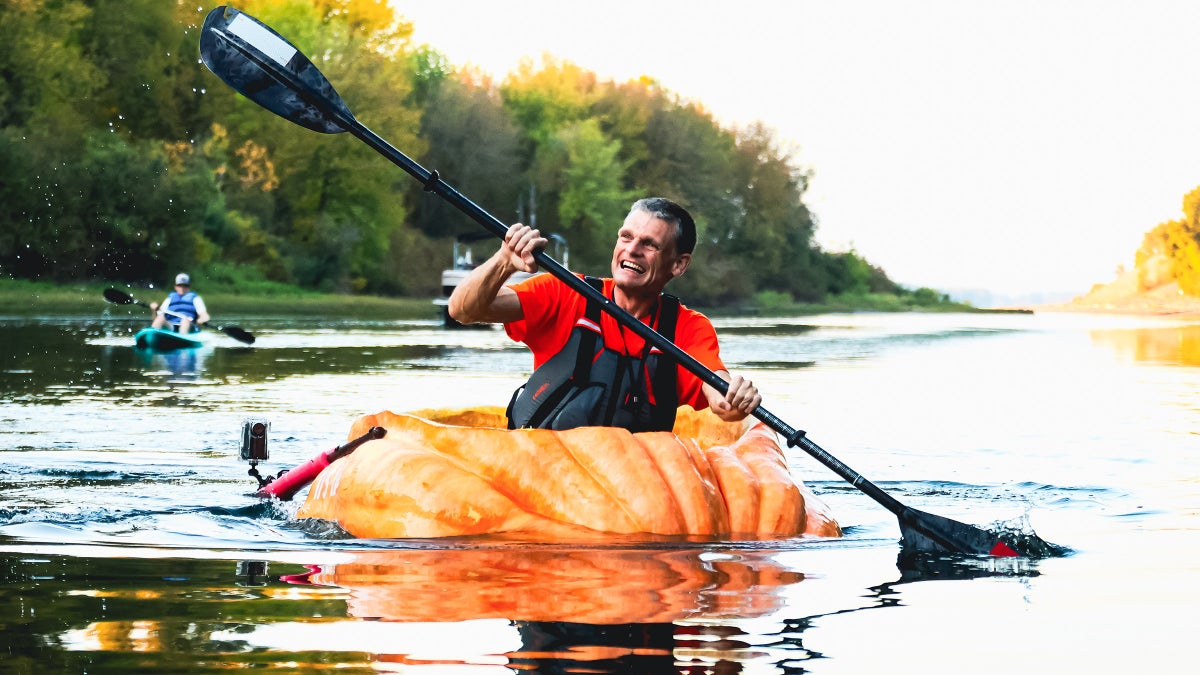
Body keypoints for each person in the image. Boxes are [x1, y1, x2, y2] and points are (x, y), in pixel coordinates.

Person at [448, 197, 761, 432]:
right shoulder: (565, 292)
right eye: (626, 237)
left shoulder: (687, 327)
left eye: (649, 244)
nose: (632, 250)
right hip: (543, 472)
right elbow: (462, 310)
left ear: (678, 264)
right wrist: (504, 260)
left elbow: (718, 392)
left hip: (628, 490)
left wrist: (733, 398)